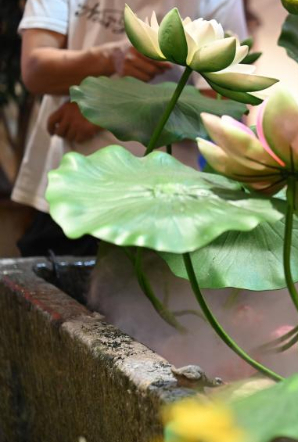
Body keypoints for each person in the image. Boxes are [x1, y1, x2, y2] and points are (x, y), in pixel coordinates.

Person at [15, 0, 248, 256]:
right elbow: (35, 69)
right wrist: (111, 58)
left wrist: (106, 106)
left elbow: (226, 103)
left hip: (162, 202)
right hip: (64, 193)